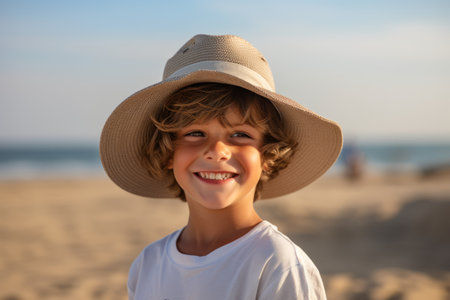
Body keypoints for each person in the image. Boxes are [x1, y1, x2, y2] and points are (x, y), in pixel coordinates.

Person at [100, 34, 342, 300]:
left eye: (240, 135)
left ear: (268, 156)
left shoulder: (277, 264)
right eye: (195, 133)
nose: (217, 151)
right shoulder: (148, 264)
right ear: (168, 151)